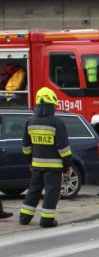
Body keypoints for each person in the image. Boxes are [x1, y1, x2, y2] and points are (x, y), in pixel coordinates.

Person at [19, 87, 73, 228]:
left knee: (34, 190)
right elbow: (64, 149)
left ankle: (24, 218)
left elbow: (26, 146)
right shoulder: (57, 123)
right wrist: (68, 165)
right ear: (52, 103)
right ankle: (46, 220)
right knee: (51, 191)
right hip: (53, 167)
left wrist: (29, 161)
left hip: (36, 165)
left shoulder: (30, 121)